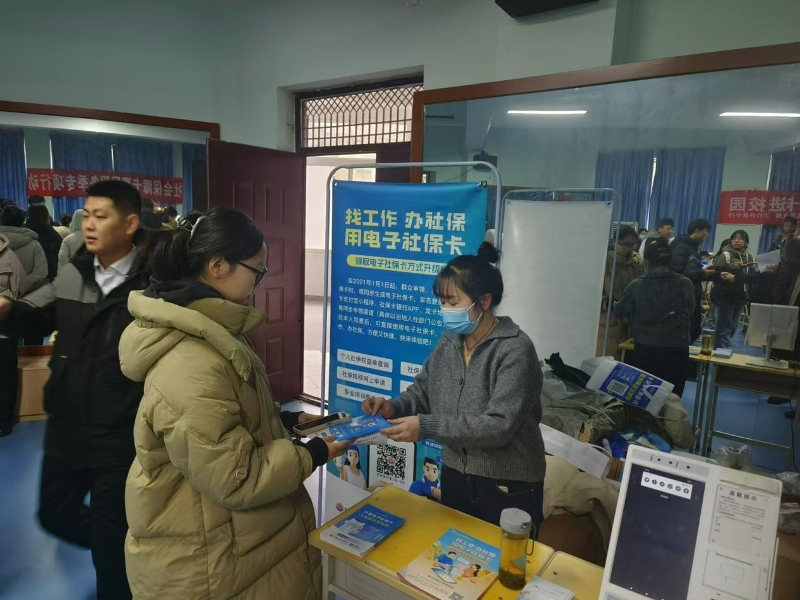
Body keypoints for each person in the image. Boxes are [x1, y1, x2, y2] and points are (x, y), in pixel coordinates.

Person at [119, 206, 346, 599]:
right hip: (208, 561)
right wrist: (315, 453)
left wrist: (286, 422)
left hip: (235, 542)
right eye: (257, 270)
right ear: (218, 266)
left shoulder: (211, 330)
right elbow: (235, 478)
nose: (259, 281)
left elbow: (224, 422)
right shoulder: (191, 362)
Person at [0, 180, 148, 599]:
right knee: (55, 515)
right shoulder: (75, 273)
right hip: (65, 424)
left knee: (110, 547)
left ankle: (119, 566)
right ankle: (127, 554)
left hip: (118, 433)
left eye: (102, 216)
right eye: (88, 214)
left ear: (130, 224)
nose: (89, 224)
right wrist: (9, 309)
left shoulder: (150, 287)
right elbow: (38, 310)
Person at [362, 242, 546, 533]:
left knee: (503, 558)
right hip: (456, 476)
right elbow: (423, 392)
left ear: (484, 301)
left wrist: (427, 426)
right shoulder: (449, 342)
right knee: (453, 553)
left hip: (506, 485)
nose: (445, 311)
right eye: (442, 303)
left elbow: (499, 426)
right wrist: (392, 407)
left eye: (452, 303)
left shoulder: (515, 349)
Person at [615, 238, 695, 396]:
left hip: (646, 348)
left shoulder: (637, 285)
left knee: (644, 397)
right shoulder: (685, 283)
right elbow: (690, 310)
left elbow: (621, 314)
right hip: (677, 350)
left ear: (646, 261)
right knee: (672, 398)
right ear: (670, 260)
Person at [670, 218, 722, 342]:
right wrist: (705, 274)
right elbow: (678, 272)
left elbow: (691, 270)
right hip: (682, 296)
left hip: (691, 294)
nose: (707, 235)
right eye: (706, 231)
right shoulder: (682, 246)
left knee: (690, 332)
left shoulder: (692, 247)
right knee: (683, 334)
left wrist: (709, 273)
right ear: (697, 230)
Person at [598, 225, 645, 358]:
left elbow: (642, 285)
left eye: (632, 245)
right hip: (608, 322)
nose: (628, 249)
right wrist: (607, 304)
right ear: (615, 242)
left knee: (627, 360)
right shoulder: (604, 260)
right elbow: (594, 291)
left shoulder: (637, 261)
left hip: (630, 321)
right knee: (608, 359)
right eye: (624, 244)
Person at [0, 234, 29, 437]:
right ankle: (3, 422)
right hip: (5, 323)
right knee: (6, 375)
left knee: (6, 374)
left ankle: (3, 421)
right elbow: (21, 286)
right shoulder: (9, 255)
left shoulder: (9, 254)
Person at [711, 230, 755, 349]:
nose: (736, 241)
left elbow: (752, 275)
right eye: (734, 238)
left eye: (740, 239)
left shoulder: (749, 257)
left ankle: (725, 344)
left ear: (746, 242)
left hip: (741, 295)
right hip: (725, 295)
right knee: (724, 324)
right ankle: (720, 349)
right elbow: (717, 274)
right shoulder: (725, 255)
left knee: (734, 324)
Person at [0, 205, 48, 292]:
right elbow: (41, 272)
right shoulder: (34, 244)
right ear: (22, 221)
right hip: (26, 295)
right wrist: (20, 286)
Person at [26, 204, 62, 280]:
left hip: (25, 276)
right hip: (50, 276)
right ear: (46, 217)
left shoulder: (24, 233)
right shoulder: (53, 235)